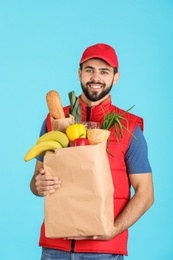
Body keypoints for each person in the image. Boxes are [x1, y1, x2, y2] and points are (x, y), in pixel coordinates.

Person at [30, 43, 154, 260]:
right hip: (54, 248)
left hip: (103, 252)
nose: (96, 77)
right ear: (79, 73)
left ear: (116, 77)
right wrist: (38, 185)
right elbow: (36, 181)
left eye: (104, 71)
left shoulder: (129, 127)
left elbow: (146, 193)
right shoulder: (54, 121)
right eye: (89, 70)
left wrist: (113, 230)